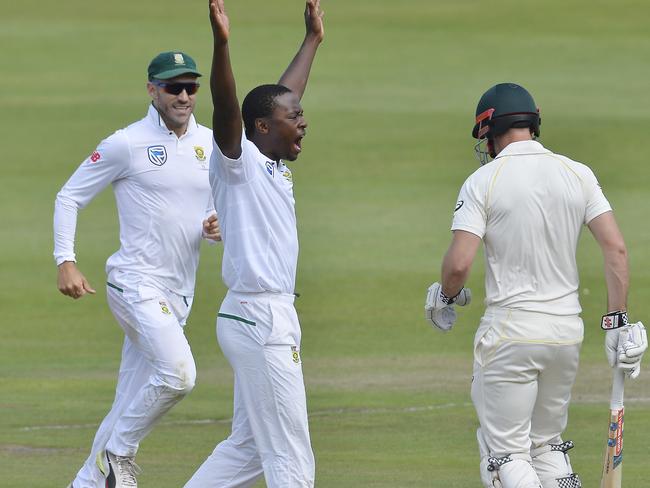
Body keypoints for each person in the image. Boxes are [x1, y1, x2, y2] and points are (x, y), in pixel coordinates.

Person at [424, 82, 648, 488]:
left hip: (511, 332)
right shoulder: (577, 173)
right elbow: (616, 250)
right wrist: (617, 321)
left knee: (505, 455)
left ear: (490, 131)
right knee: (546, 447)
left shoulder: (484, 181)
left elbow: (458, 265)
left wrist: (446, 296)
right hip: (566, 334)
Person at [54, 50, 220, 488]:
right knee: (180, 375)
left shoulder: (209, 142)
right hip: (134, 283)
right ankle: (118, 453)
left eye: (191, 87)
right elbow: (69, 196)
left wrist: (215, 223)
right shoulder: (125, 143)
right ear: (152, 90)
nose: (183, 95)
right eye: (173, 87)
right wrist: (65, 261)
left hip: (179, 293)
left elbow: (207, 206)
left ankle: (87, 482)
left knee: (129, 398)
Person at [183, 1, 324, 487]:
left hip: (263, 315)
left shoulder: (271, 162)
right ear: (261, 128)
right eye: (294, 118)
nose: (302, 122)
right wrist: (222, 45)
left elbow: (284, 96)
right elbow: (228, 107)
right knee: (291, 458)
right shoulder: (237, 161)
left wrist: (311, 41)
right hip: (260, 318)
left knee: (248, 449)